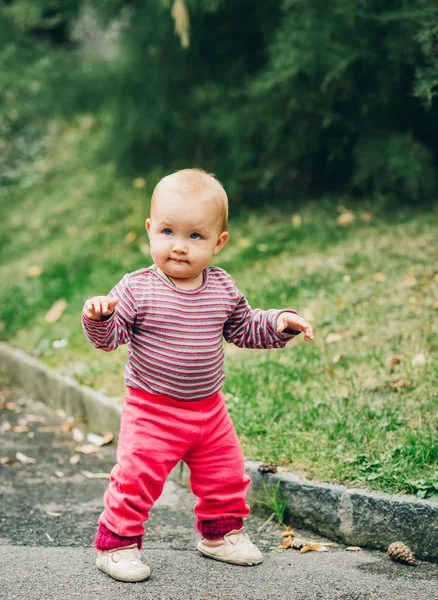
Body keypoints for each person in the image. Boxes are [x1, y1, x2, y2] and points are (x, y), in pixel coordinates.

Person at [82, 168, 313, 582]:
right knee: (136, 479)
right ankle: (117, 544)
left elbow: (243, 327)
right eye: (168, 232)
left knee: (226, 474)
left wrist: (278, 322)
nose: (179, 247)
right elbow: (110, 338)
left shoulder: (222, 287)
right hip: (152, 410)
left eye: (195, 236)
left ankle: (220, 535)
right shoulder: (137, 288)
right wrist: (101, 318)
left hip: (209, 411)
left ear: (218, 242)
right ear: (150, 230)